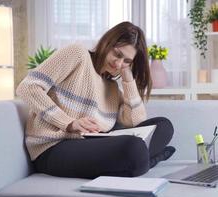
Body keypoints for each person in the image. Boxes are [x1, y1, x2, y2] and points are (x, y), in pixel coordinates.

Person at [16, 21, 175, 179]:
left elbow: (135, 121)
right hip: (53, 147)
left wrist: (127, 78)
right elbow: (28, 87)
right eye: (117, 54)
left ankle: (138, 162)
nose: (119, 63)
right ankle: (150, 160)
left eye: (127, 61)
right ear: (107, 42)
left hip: (91, 143)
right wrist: (69, 123)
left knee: (163, 126)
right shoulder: (77, 54)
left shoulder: (111, 87)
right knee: (134, 148)